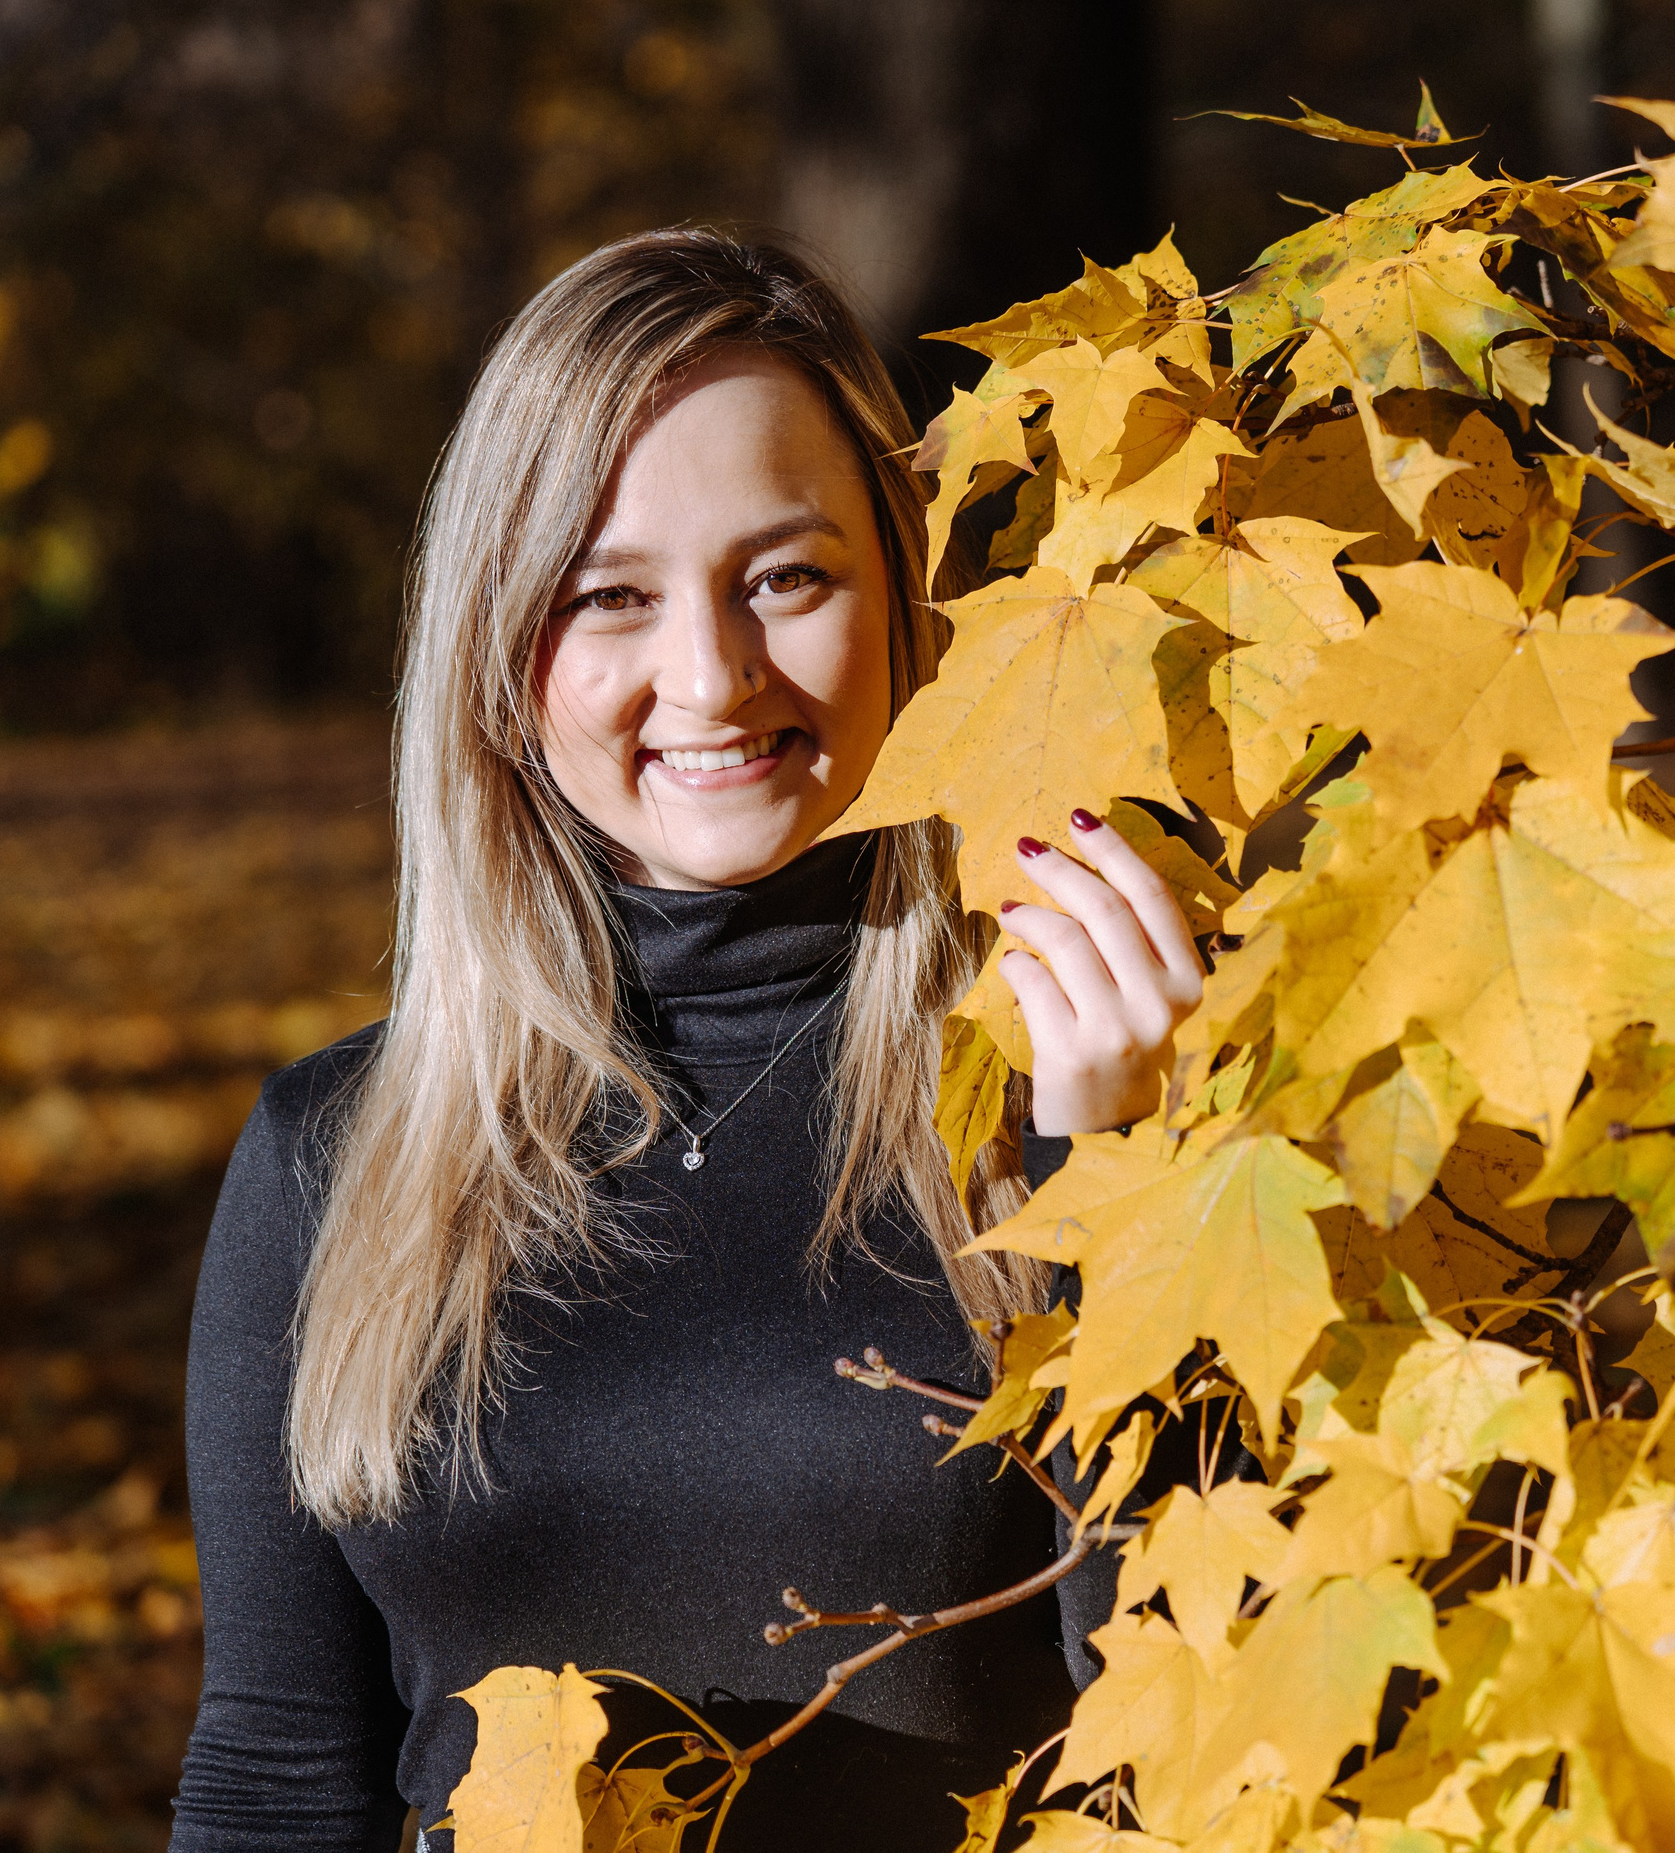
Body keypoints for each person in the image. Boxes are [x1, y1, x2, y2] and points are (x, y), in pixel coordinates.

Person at [170, 229, 1208, 1851]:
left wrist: (1113, 1180)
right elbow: (278, 1772)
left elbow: (1213, 1725)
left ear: (906, 592)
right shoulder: (334, 1158)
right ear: (503, 663)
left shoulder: (1083, 1070)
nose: (712, 676)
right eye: (612, 598)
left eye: (786, 576)